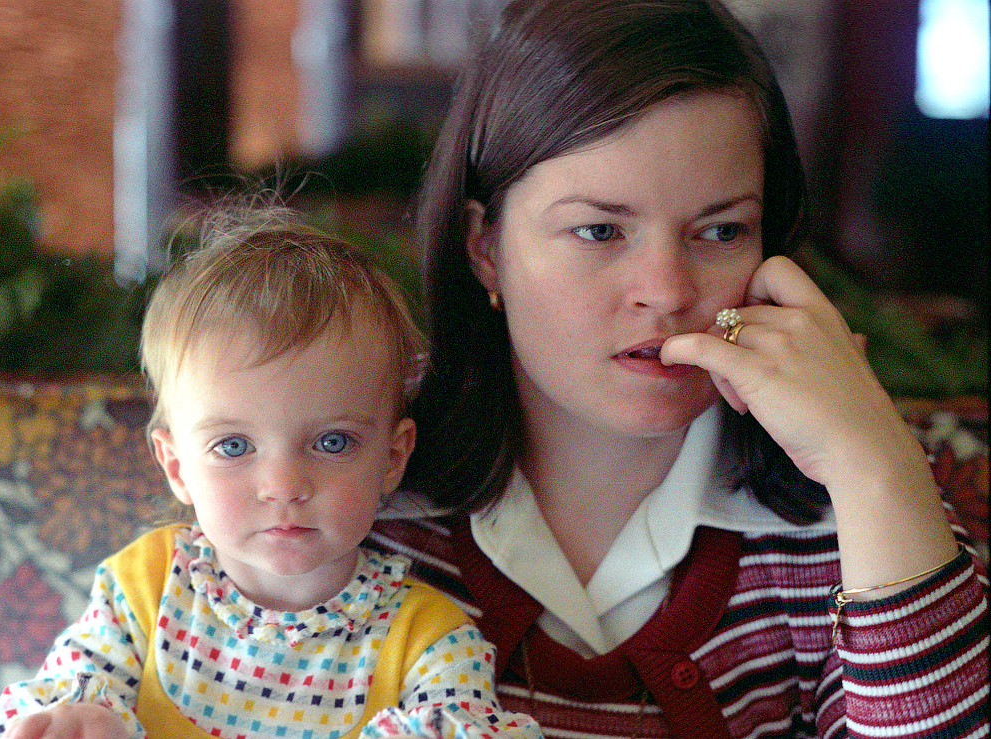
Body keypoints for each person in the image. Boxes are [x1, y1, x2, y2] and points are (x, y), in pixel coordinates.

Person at [367, 0, 990, 737]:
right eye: (599, 229)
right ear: (485, 246)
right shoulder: (351, 472)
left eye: (722, 231)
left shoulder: (845, 513)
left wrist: (872, 465)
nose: (667, 291)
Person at [0, 205, 543, 739]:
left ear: (391, 458)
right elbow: (45, 706)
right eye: (234, 445)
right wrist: (72, 724)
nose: (284, 487)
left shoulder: (429, 642)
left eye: (332, 441)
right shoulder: (141, 591)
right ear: (176, 465)